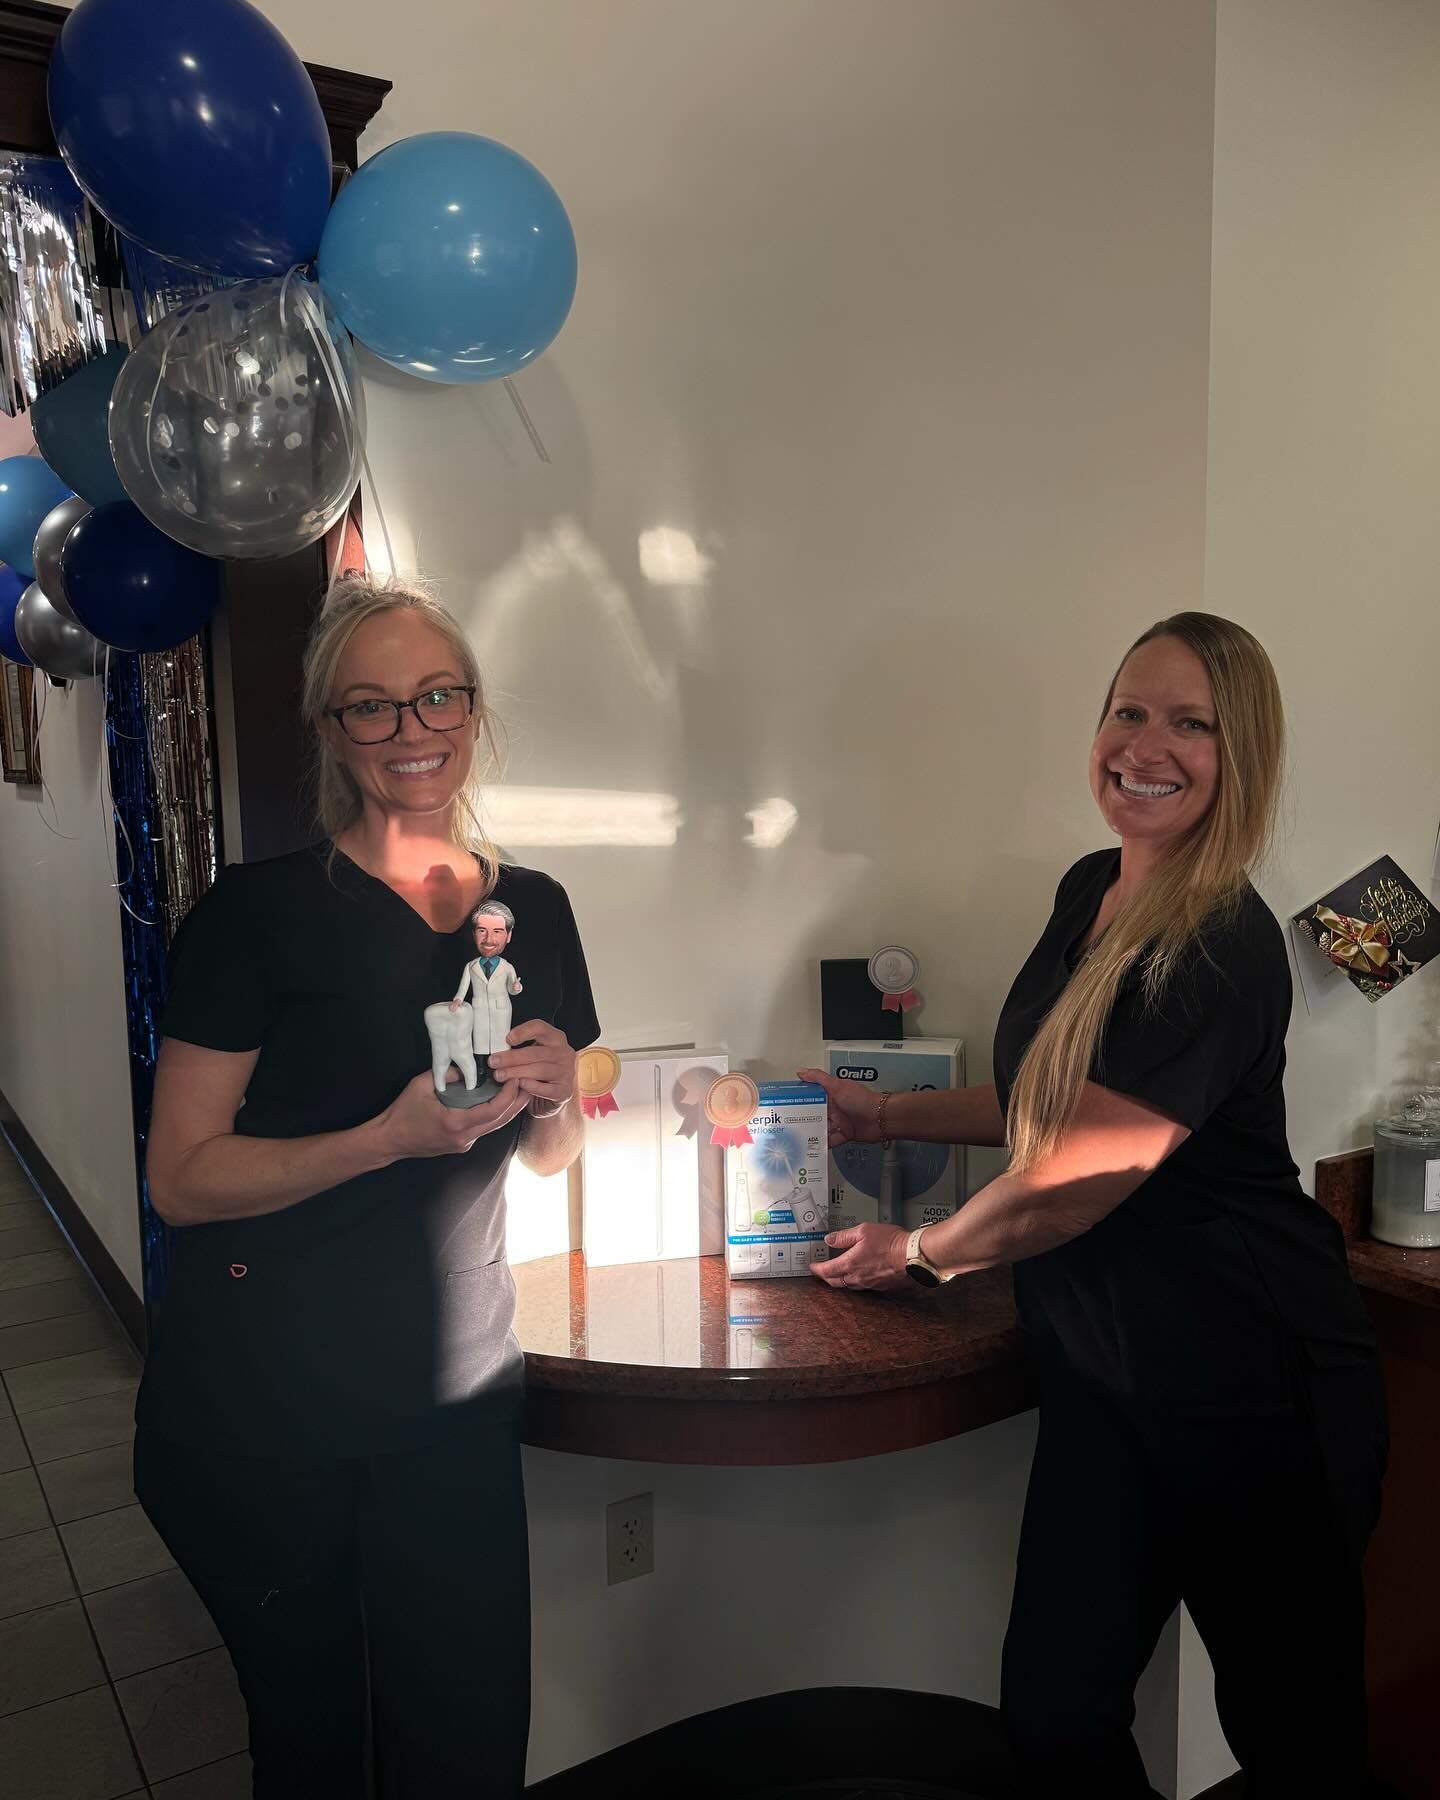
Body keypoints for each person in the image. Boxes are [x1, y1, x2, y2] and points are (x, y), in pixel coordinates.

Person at [804, 613, 1387, 1800]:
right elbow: (1048, 1105)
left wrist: (922, 1251)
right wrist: (889, 1117)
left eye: (1190, 725)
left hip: (1255, 1387)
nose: (1145, 747)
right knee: (1056, 1714)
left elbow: (1076, 1182)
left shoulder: (1220, 942)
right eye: (1128, 712)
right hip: (1108, 1383)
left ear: (1240, 755)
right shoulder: (1091, 892)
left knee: (1298, 1746)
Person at [135, 575, 598, 1799]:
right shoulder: (255, 917)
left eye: (438, 696)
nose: (412, 729)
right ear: (331, 728)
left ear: (474, 709)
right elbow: (180, 1180)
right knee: (320, 1756)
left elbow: (550, 1156)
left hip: (453, 1407)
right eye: (373, 705)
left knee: (467, 1750)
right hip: (265, 1419)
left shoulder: (535, 911)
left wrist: (558, 1096)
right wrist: (383, 1139)